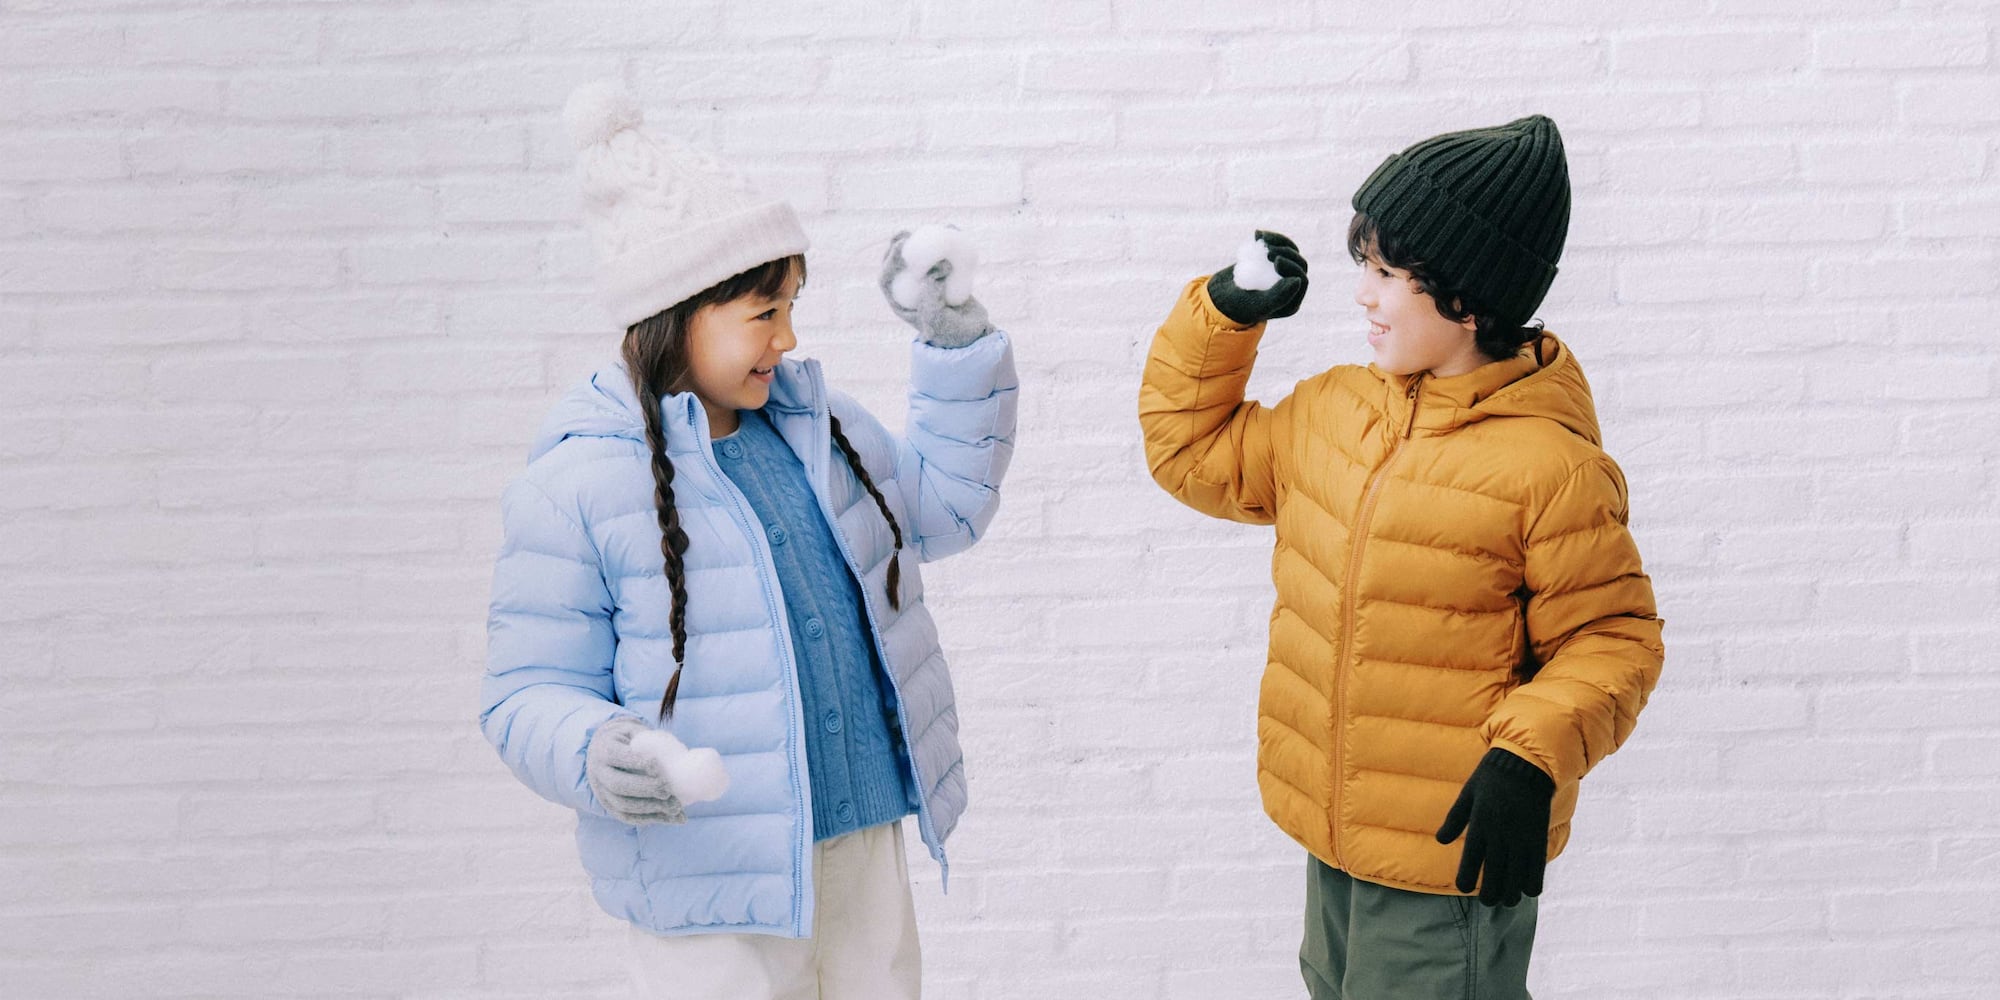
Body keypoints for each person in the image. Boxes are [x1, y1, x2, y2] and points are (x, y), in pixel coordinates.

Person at [480, 81, 1017, 1000]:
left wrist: (954, 344)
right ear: (673, 314)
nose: (789, 336)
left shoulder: (818, 431)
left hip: (861, 835)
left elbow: (942, 511)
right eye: (765, 313)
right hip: (713, 880)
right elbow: (526, 690)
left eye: (791, 307)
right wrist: (596, 749)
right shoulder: (579, 484)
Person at [1138, 115, 1663, 999]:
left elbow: (1614, 639)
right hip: (1335, 829)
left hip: (1451, 848)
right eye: (1364, 269)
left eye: (1387, 274)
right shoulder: (1334, 413)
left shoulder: (1549, 466)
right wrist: (1223, 313)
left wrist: (1530, 755)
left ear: (1466, 298)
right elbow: (1190, 454)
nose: (1363, 296)